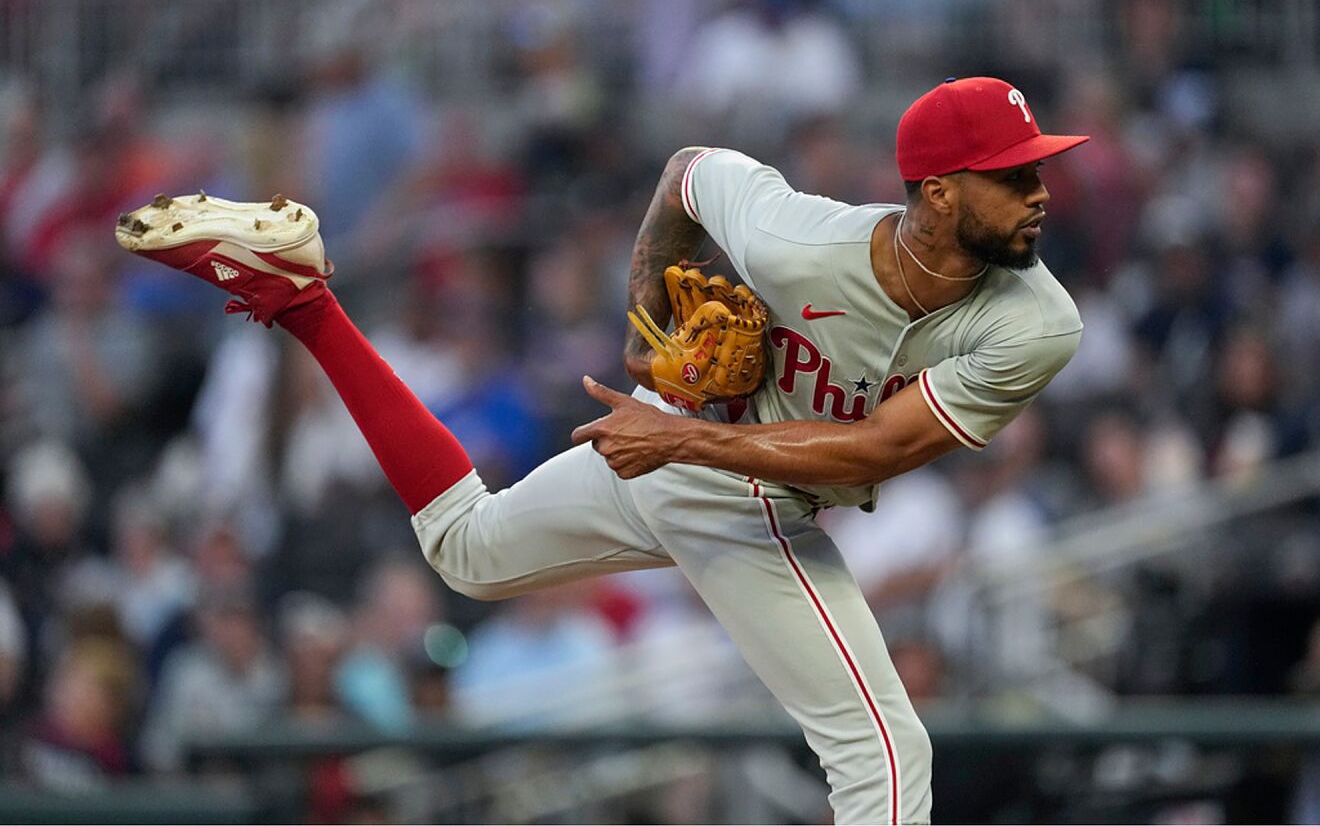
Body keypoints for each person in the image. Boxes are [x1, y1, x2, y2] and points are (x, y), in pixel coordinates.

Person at [117, 76, 1087, 825]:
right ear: (939, 191)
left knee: (469, 551)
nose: (1040, 192)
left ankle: (302, 302)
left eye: (1037, 169)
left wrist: (678, 433)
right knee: (883, 754)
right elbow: (689, 170)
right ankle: (303, 297)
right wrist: (642, 312)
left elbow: (875, 447)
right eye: (1015, 175)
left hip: (690, 448)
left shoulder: (1036, 320)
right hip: (724, 480)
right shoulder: (797, 239)